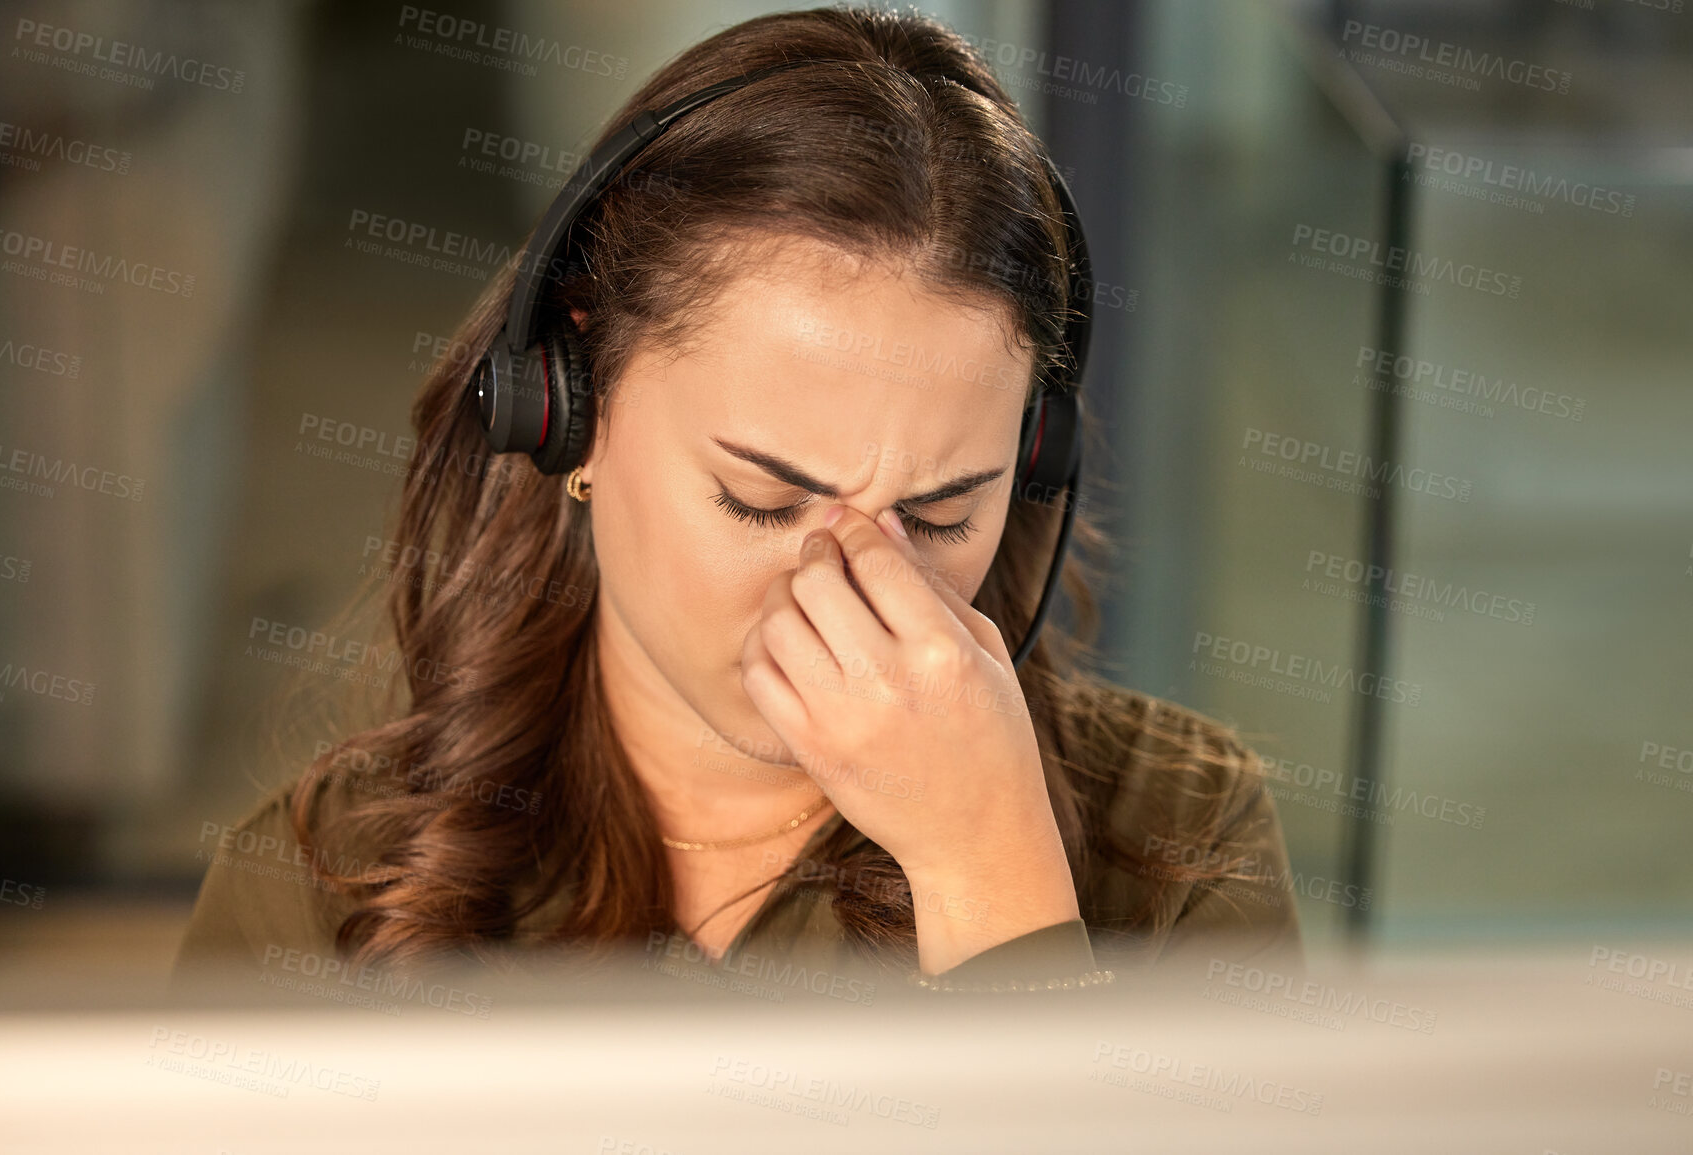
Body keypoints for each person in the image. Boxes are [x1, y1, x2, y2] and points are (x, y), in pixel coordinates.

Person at [172, 4, 1299, 1002]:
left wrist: (990, 878)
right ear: (569, 412)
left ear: (1032, 460)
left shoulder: (1183, 835)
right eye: (764, 498)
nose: (853, 588)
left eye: (945, 510)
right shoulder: (324, 888)